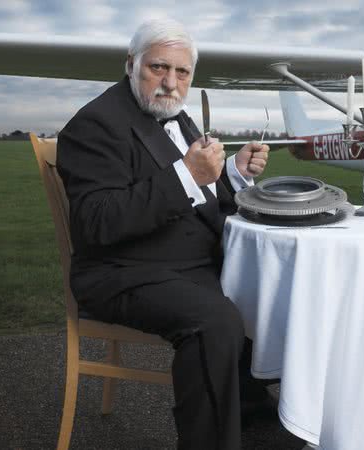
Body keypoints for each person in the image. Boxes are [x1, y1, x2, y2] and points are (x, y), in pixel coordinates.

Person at [56, 18, 271, 450]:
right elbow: (98, 222)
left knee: (272, 290)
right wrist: (188, 174)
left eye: (182, 72)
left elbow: (196, 189)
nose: (170, 82)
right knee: (217, 321)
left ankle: (259, 423)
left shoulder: (174, 115)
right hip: (121, 272)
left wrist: (231, 172)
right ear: (131, 64)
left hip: (185, 264)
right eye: (158, 68)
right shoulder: (94, 124)